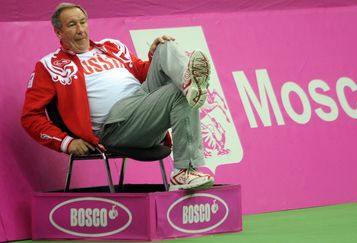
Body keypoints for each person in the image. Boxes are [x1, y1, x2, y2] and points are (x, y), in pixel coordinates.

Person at [21, 2, 214, 191]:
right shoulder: (50, 65)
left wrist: (154, 55)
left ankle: (190, 85)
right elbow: (31, 117)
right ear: (58, 32)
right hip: (114, 126)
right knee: (178, 93)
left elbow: (142, 72)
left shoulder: (112, 47)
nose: (80, 30)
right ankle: (183, 171)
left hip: (141, 102)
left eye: (83, 22)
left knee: (166, 46)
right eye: (72, 25)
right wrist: (66, 142)